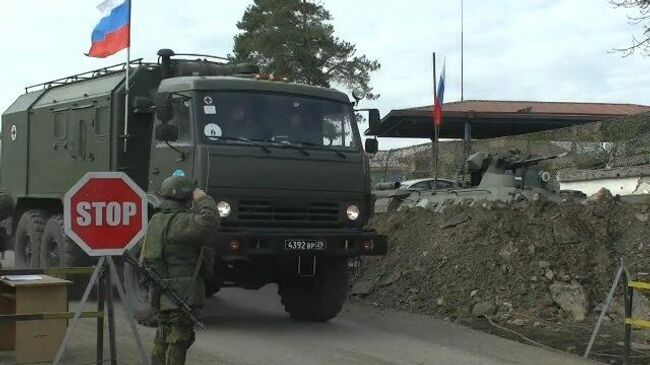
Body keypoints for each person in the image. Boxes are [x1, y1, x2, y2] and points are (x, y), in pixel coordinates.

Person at [141, 174, 218, 365]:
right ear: (186, 198)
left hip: (161, 292)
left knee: (162, 338)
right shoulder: (182, 221)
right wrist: (203, 198)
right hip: (182, 294)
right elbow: (210, 221)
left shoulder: (155, 220)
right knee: (178, 341)